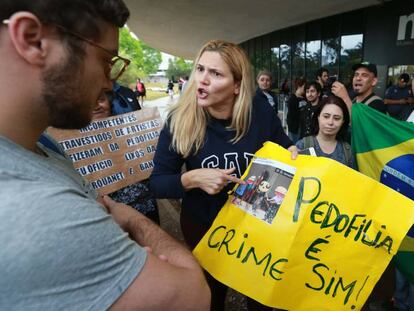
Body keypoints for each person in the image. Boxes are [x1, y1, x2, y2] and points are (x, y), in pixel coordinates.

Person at [0, 1, 210, 310]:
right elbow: (193, 296)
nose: (108, 83)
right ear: (33, 39)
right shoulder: (36, 210)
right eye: (105, 60)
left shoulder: (45, 147)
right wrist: (129, 218)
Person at [150, 39, 297, 311]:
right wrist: (193, 178)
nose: (202, 80)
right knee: (211, 298)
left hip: (256, 230)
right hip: (205, 227)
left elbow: (285, 145)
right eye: (200, 69)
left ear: (237, 85)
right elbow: (157, 184)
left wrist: (293, 153)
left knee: (260, 298)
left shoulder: (259, 111)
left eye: (215, 74)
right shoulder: (180, 120)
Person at [92, 93, 160, 223]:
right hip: (109, 217)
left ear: (109, 102)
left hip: (146, 206)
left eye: (101, 99)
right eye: (88, 101)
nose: (96, 106)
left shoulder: (131, 128)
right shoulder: (67, 142)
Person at [296, 95, 355, 168]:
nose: (330, 122)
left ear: (343, 122)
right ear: (318, 117)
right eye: (326, 116)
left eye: (336, 118)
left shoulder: (347, 151)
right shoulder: (302, 146)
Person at [286, 77, 307, 143]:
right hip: (295, 128)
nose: (306, 89)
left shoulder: (305, 98)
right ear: (299, 86)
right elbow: (291, 115)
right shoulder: (292, 99)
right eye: (305, 86)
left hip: (303, 127)